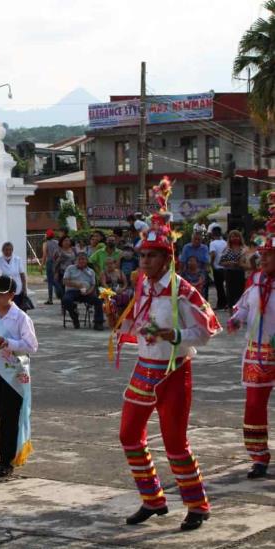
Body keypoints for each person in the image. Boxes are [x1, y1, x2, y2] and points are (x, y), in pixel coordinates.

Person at [114, 178, 221, 531]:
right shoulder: (142, 286)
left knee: (175, 442)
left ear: (167, 256)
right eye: (141, 255)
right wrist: (117, 316)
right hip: (144, 370)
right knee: (129, 435)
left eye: (151, 255)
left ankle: (197, 505)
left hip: (174, 372)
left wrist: (173, 334)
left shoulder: (184, 292)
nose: (144, 261)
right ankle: (153, 499)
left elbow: (205, 332)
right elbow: (135, 324)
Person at [0, 275, 38, 477]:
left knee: (10, 418)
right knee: (4, 415)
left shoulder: (21, 318)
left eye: (1, 294)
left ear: (12, 295)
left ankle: (5, 461)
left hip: (15, 373)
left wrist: (9, 343)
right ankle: (9, 454)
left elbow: (32, 346)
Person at [228, 212, 275, 480]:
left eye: (269, 254)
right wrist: (236, 320)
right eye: (262, 254)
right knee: (254, 405)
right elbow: (245, 306)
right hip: (258, 353)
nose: (263, 258)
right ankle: (259, 457)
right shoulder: (256, 280)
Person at [62, 253, 104, 331]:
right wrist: (77, 285)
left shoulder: (91, 271)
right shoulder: (70, 268)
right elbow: (65, 281)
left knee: (98, 300)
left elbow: (93, 285)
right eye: (79, 259)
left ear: (87, 260)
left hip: (87, 292)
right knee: (66, 300)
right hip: (72, 291)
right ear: (76, 260)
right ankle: (74, 317)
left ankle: (98, 322)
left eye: (83, 259)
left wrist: (89, 292)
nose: (81, 261)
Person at [180, 230, 210, 300]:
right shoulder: (186, 247)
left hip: (200, 270)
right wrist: (181, 273)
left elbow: (206, 262)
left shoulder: (204, 248)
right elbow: (182, 262)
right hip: (188, 270)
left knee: (204, 282)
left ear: (201, 240)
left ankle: (203, 301)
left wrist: (206, 272)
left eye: (199, 239)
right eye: (195, 239)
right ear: (192, 239)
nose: (196, 241)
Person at [0, 242, 29, 310]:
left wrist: (24, 288)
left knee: (19, 310)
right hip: (5, 290)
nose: (8, 251)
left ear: (12, 250)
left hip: (17, 289)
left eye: (10, 250)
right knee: (8, 310)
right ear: (2, 250)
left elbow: (22, 275)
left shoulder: (17, 259)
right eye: (6, 249)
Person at [221, 230, 246, 311]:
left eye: (237, 236)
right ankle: (231, 314)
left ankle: (240, 312)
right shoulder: (227, 249)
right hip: (229, 273)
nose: (235, 238)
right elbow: (221, 262)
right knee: (230, 294)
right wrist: (230, 262)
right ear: (229, 238)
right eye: (232, 236)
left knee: (241, 293)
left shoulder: (244, 248)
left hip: (241, 273)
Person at [209, 225, 228, 310]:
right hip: (225, 267)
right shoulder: (225, 242)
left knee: (219, 287)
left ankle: (221, 304)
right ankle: (226, 303)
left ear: (213, 234)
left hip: (217, 267)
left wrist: (211, 264)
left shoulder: (212, 243)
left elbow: (213, 254)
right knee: (226, 286)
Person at [40, 229, 59, 305]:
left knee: (50, 281)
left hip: (50, 262)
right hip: (57, 262)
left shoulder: (45, 243)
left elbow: (44, 255)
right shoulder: (57, 242)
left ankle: (50, 299)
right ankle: (61, 294)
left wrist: (41, 266)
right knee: (56, 280)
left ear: (47, 236)